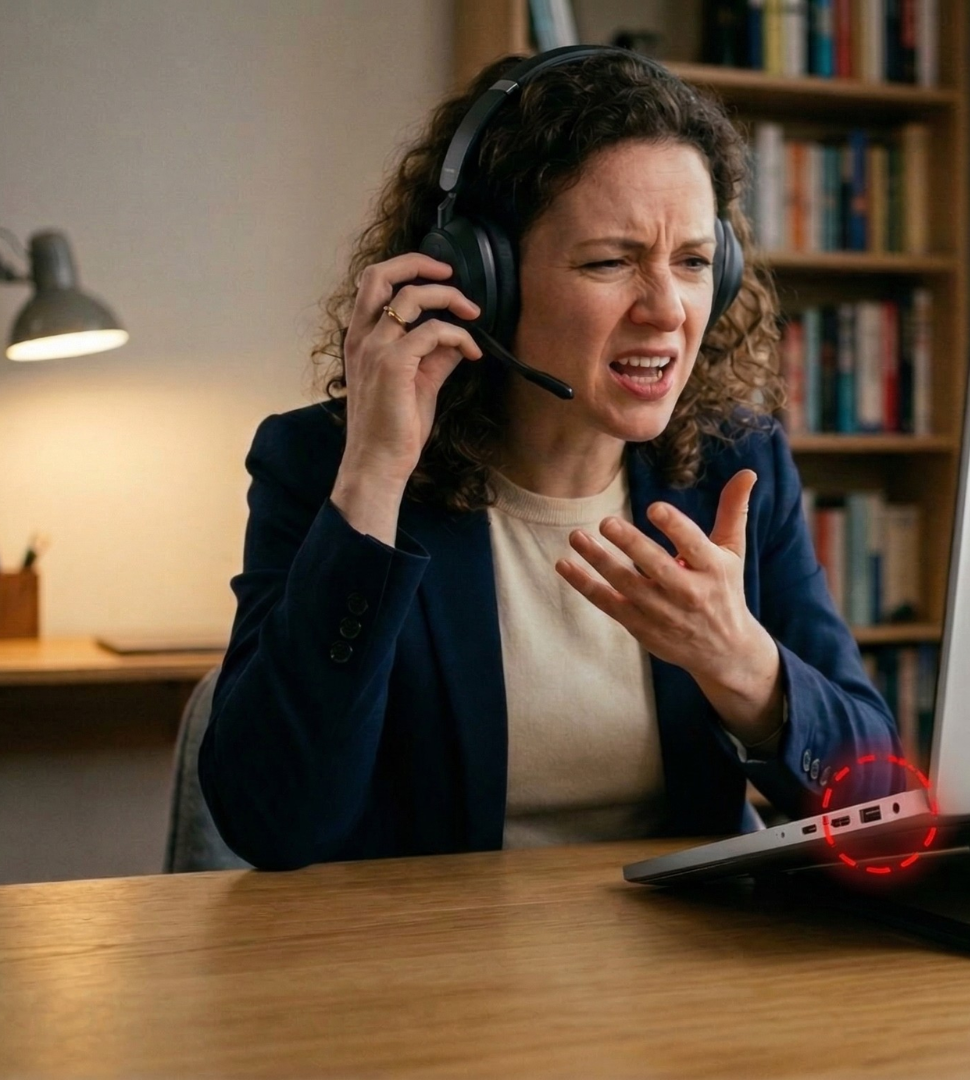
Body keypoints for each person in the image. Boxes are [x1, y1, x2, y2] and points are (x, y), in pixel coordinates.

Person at [198, 49, 902, 871]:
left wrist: (741, 663)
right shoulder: (325, 464)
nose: (668, 310)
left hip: (692, 971)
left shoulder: (735, 466)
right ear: (482, 277)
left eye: (694, 262)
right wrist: (373, 480)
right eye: (610, 261)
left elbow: (877, 797)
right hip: (430, 969)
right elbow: (274, 822)